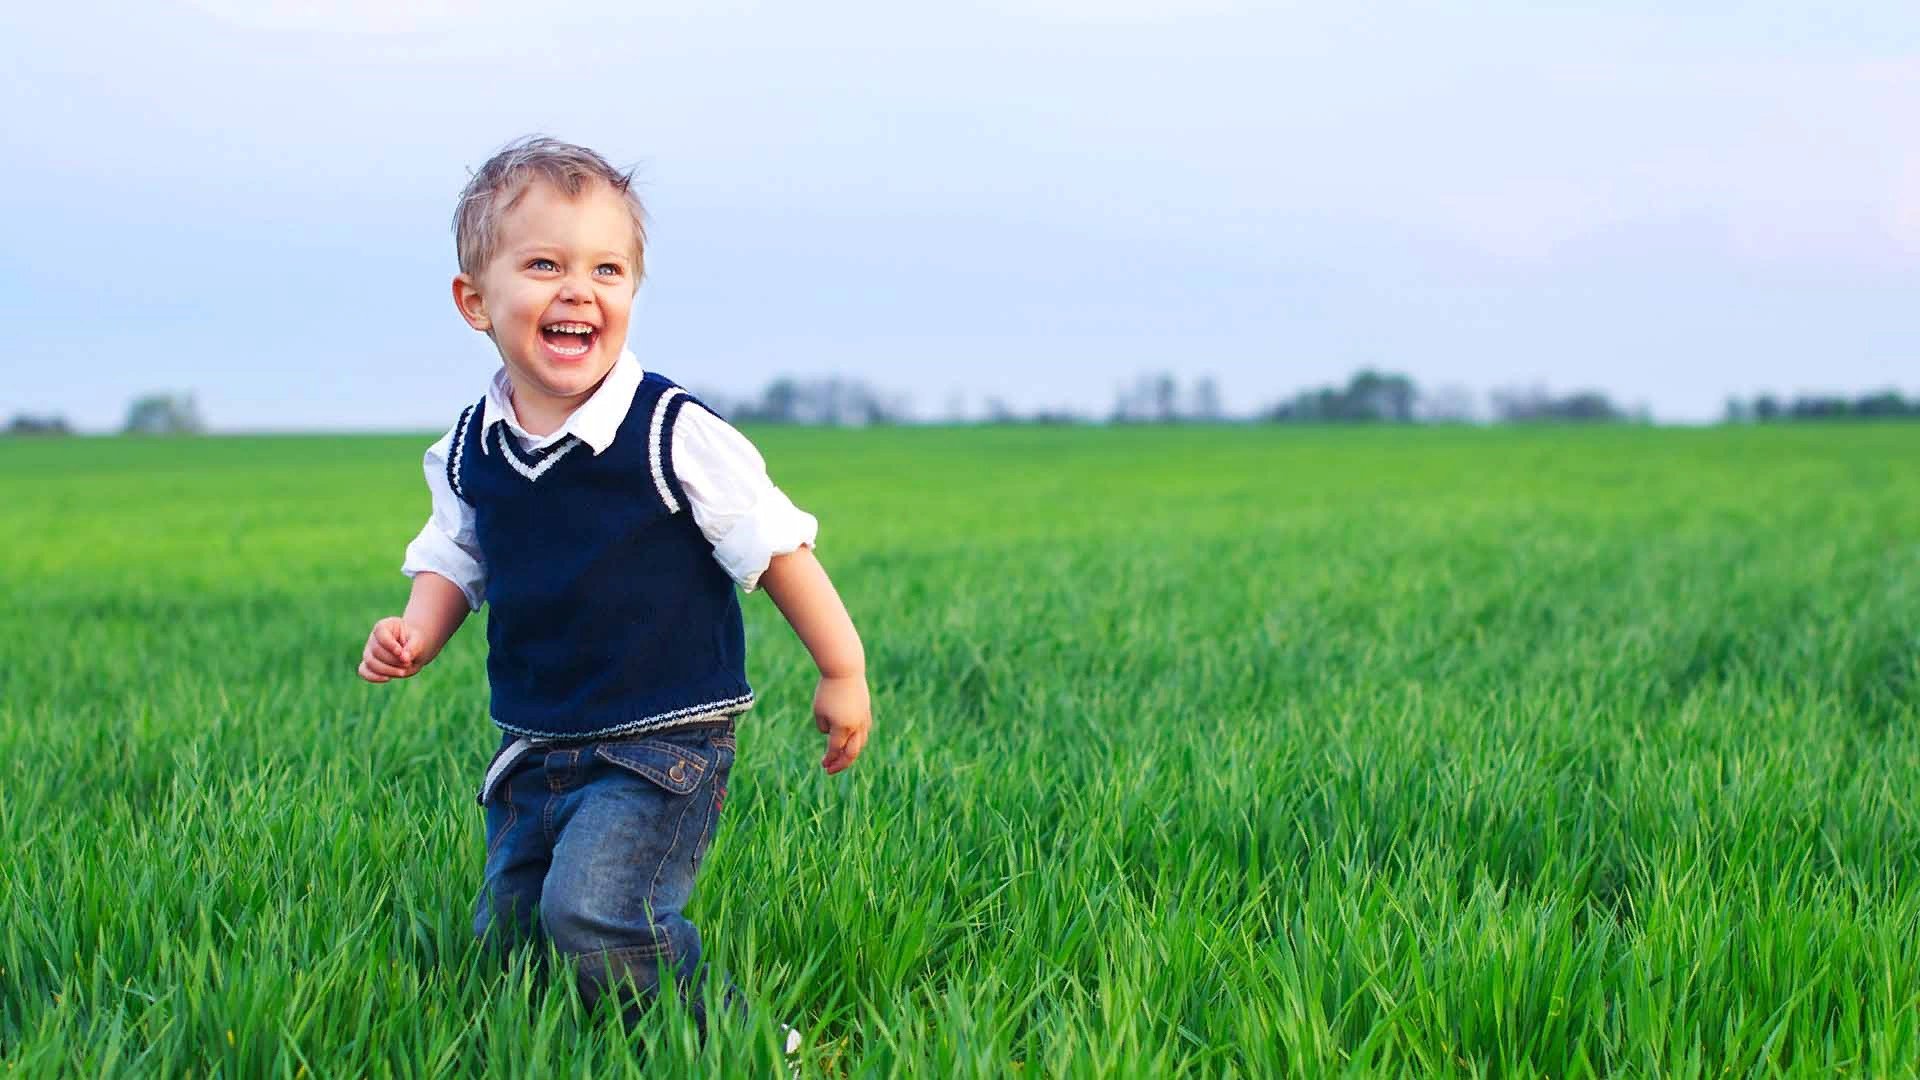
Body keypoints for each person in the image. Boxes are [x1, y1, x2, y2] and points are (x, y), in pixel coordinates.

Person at [355, 136, 871, 1053]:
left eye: (607, 269)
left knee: (596, 913)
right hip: (538, 742)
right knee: (513, 934)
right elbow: (456, 551)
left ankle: (735, 1047)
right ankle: (552, 1045)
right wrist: (417, 630)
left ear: (633, 291)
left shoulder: (672, 431)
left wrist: (843, 668)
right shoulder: (475, 441)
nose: (578, 290)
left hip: (663, 737)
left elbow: (777, 546)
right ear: (475, 301)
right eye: (544, 264)